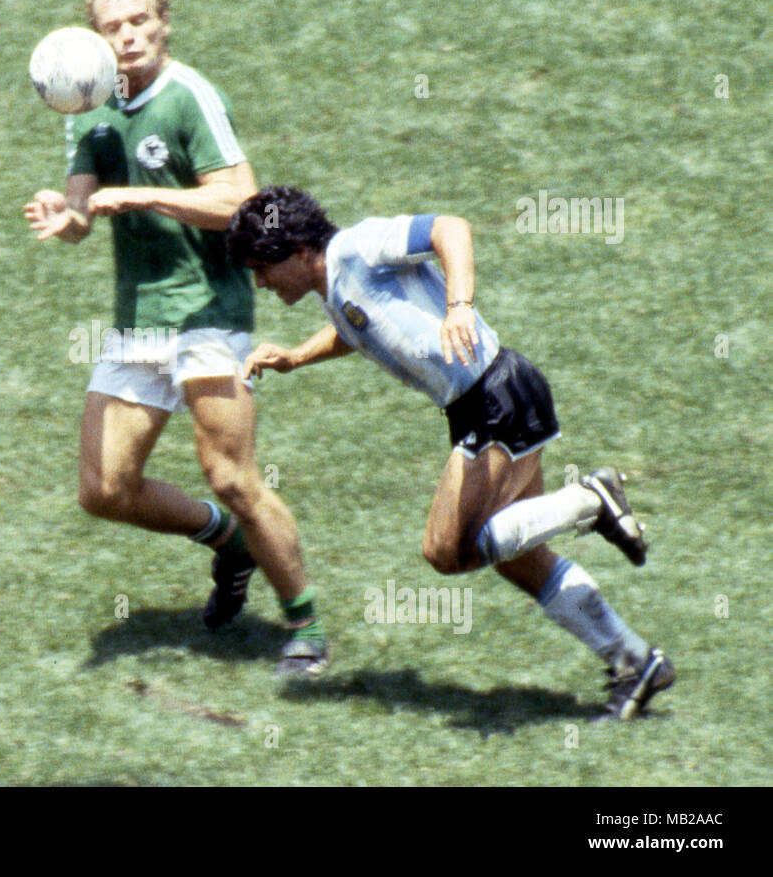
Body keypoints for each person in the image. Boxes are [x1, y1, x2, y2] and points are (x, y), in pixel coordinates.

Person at [226, 185, 675, 719]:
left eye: (262, 268)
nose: (259, 282)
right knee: (519, 561)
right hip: (486, 401)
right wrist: (296, 358)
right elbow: (356, 327)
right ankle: (635, 661)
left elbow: (450, 228)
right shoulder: (336, 285)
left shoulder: (355, 248)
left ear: (299, 252)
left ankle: (590, 499)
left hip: (494, 398)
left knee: (445, 549)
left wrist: (459, 306)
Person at [22, 0, 328, 676]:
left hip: (208, 310)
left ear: (163, 24)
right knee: (103, 489)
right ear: (95, 38)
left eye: (138, 22)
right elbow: (81, 216)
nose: (127, 36)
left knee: (230, 473)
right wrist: (61, 215)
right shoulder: (89, 109)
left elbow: (241, 201)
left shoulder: (190, 96)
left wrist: (136, 197)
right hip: (139, 318)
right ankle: (228, 542)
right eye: (112, 27)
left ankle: (304, 623)